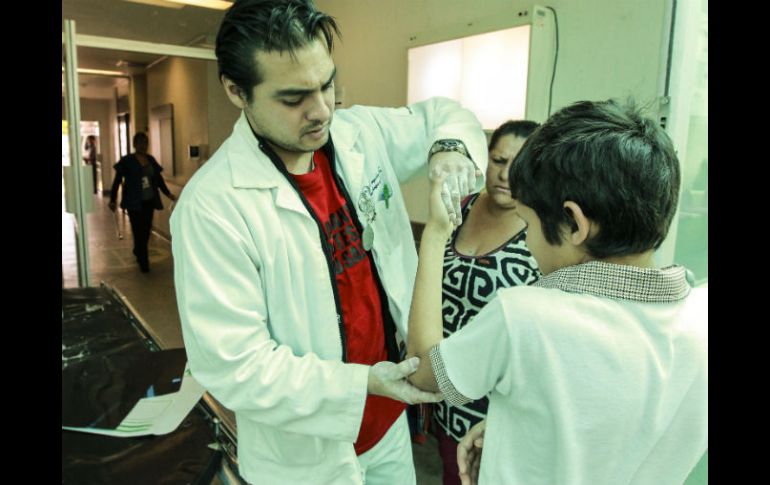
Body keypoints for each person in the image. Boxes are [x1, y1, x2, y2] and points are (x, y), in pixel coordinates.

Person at [169, 1, 487, 484]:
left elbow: (444, 115)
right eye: (294, 97)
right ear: (237, 92)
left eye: (327, 84)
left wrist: (448, 150)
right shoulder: (214, 207)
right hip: (305, 456)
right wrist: (364, 382)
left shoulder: (359, 135)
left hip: (386, 430)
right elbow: (234, 365)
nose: (321, 110)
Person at [405, 99, 708, 485]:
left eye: (527, 225)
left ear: (574, 223)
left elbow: (420, 369)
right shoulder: (701, 318)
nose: (528, 242)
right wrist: (519, 430)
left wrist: (434, 234)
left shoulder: (524, 316)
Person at [430, 120, 541, 485]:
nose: (506, 174)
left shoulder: (541, 231)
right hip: (444, 380)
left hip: (498, 399)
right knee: (450, 470)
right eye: (498, 160)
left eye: (518, 164)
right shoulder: (457, 207)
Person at [108, 132, 177, 273]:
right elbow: (117, 181)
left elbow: (158, 180)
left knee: (146, 230)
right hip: (134, 202)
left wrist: (168, 193)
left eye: (145, 143)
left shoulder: (151, 160)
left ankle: (139, 250)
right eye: (139, 142)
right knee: (137, 230)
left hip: (149, 201)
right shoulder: (127, 161)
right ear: (134, 144)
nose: (143, 145)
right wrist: (112, 199)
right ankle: (143, 261)